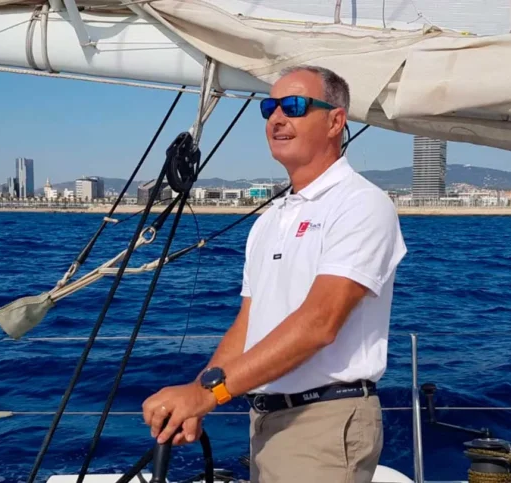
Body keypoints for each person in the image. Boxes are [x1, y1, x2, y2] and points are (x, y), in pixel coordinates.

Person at [141, 65, 407, 482]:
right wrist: (199, 393)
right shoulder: (269, 221)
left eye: (294, 106)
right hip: (265, 422)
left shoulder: (360, 204)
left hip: (323, 423)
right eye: (270, 108)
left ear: (336, 121)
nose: (277, 118)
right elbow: (248, 325)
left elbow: (319, 323)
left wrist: (208, 394)